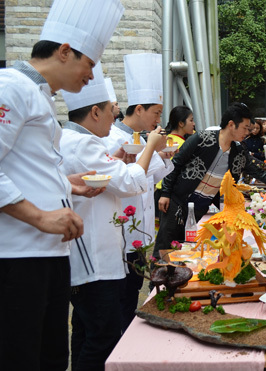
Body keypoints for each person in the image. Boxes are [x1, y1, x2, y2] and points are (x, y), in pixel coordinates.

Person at [0, 0, 124, 369]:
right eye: (89, 64)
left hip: (48, 254)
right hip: (18, 256)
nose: (91, 75)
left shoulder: (39, 96)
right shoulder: (11, 87)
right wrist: (40, 216)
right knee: (21, 356)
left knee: (52, 356)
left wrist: (67, 185)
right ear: (65, 51)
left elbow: (23, 166)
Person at [60, 63, 167, 370]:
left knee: (84, 332)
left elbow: (116, 177)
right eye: (111, 111)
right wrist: (149, 147)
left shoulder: (73, 140)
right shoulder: (83, 143)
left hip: (92, 251)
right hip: (94, 256)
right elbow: (132, 182)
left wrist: (120, 160)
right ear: (95, 112)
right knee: (103, 338)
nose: (115, 117)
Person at [155, 103, 266, 257]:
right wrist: (165, 192)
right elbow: (175, 163)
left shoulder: (239, 151)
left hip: (199, 208)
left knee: (182, 248)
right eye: (245, 128)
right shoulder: (202, 138)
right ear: (231, 125)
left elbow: (259, 173)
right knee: (164, 247)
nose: (248, 132)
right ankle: (155, 280)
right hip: (177, 202)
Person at [102, 53, 174, 332]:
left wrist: (161, 154)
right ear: (140, 109)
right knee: (122, 300)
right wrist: (153, 150)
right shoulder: (111, 139)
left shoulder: (142, 138)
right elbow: (129, 180)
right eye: (156, 112)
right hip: (121, 231)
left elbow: (154, 176)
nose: (159, 119)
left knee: (133, 293)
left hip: (141, 231)